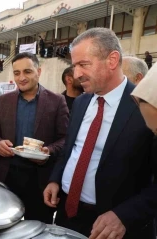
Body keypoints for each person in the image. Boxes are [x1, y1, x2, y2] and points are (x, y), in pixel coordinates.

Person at [43, 28, 155, 239]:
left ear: (112, 60)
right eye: (74, 66)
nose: (76, 75)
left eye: (83, 65)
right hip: (68, 214)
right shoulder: (81, 102)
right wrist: (56, 179)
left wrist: (125, 216)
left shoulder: (146, 106)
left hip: (114, 228)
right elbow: (71, 148)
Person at [0, 52, 69, 222]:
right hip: (8, 176)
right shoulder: (3, 101)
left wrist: (49, 151)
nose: (21, 78)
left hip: (40, 180)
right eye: (17, 73)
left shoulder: (57, 101)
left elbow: (65, 138)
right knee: (4, 227)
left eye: (27, 72)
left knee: (37, 228)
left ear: (39, 71)